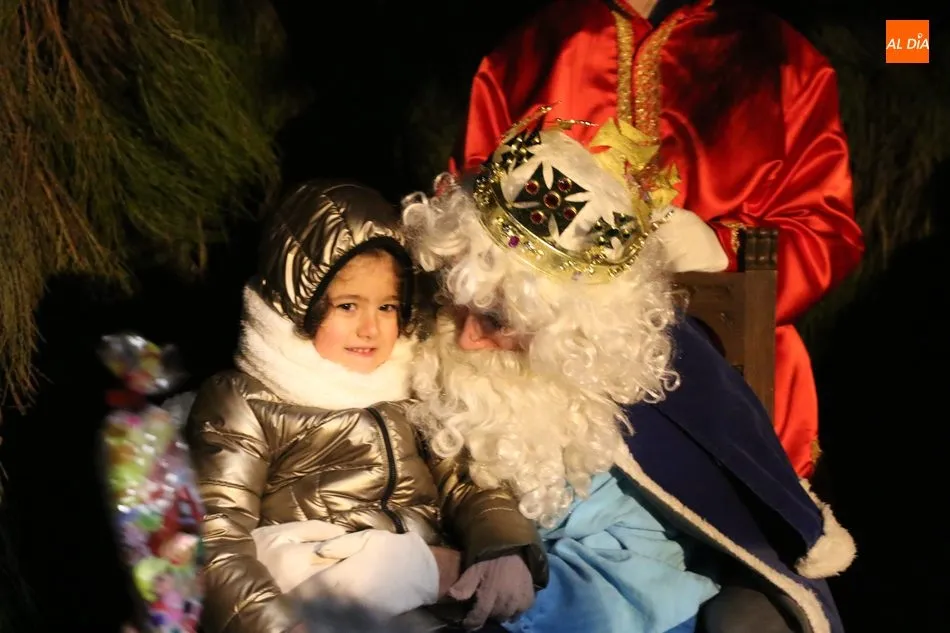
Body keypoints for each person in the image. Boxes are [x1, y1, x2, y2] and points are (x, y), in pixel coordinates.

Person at [402, 110, 856, 632]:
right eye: (454, 298)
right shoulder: (416, 343)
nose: (466, 339)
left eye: (498, 320)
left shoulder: (624, 419)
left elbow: (633, 591)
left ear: (568, 331)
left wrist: (459, 582)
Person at [450, 0, 865, 477]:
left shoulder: (784, 61)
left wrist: (722, 248)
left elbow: (826, 229)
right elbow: (470, 209)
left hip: (727, 383)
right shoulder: (534, 46)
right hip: (548, 395)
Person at [185, 180, 546, 633]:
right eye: (348, 306)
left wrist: (504, 547)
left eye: (388, 307)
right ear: (300, 303)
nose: (370, 329)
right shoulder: (249, 398)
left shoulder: (408, 384)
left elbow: (464, 479)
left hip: (426, 604)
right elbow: (215, 535)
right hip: (320, 593)